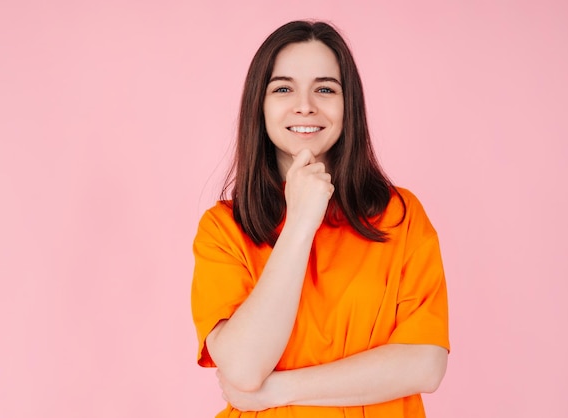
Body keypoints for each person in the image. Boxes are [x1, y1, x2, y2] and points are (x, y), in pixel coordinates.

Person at [192, 20, 449, 417]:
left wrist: (277, 390)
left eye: (325, 88)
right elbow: (243, 368)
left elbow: (426, 365)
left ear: (350, 106)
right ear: (259, 106)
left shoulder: (400, 216)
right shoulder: (223, 229)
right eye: (283, 88)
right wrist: (299, 222)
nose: (305, 105)